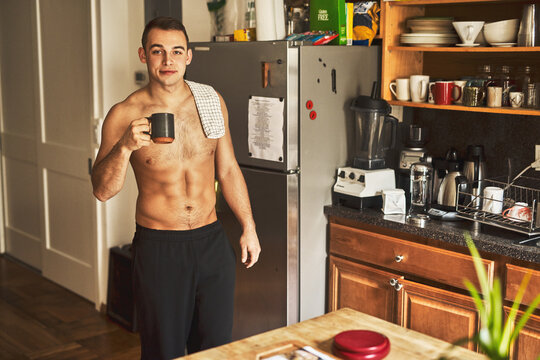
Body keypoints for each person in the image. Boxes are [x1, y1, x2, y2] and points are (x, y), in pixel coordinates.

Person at [91, 16, 261, 360]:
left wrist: (249, 226)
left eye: (176, 51)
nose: (168, 61)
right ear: (144, 55)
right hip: (160, 249)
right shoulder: (124, 114)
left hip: (212, 242)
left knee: (215, 349)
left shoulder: (210, 101)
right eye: (158, 51)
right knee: (162, 352)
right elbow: (102, 190)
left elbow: (227, 169)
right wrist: (124, 147)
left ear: (188, 56)